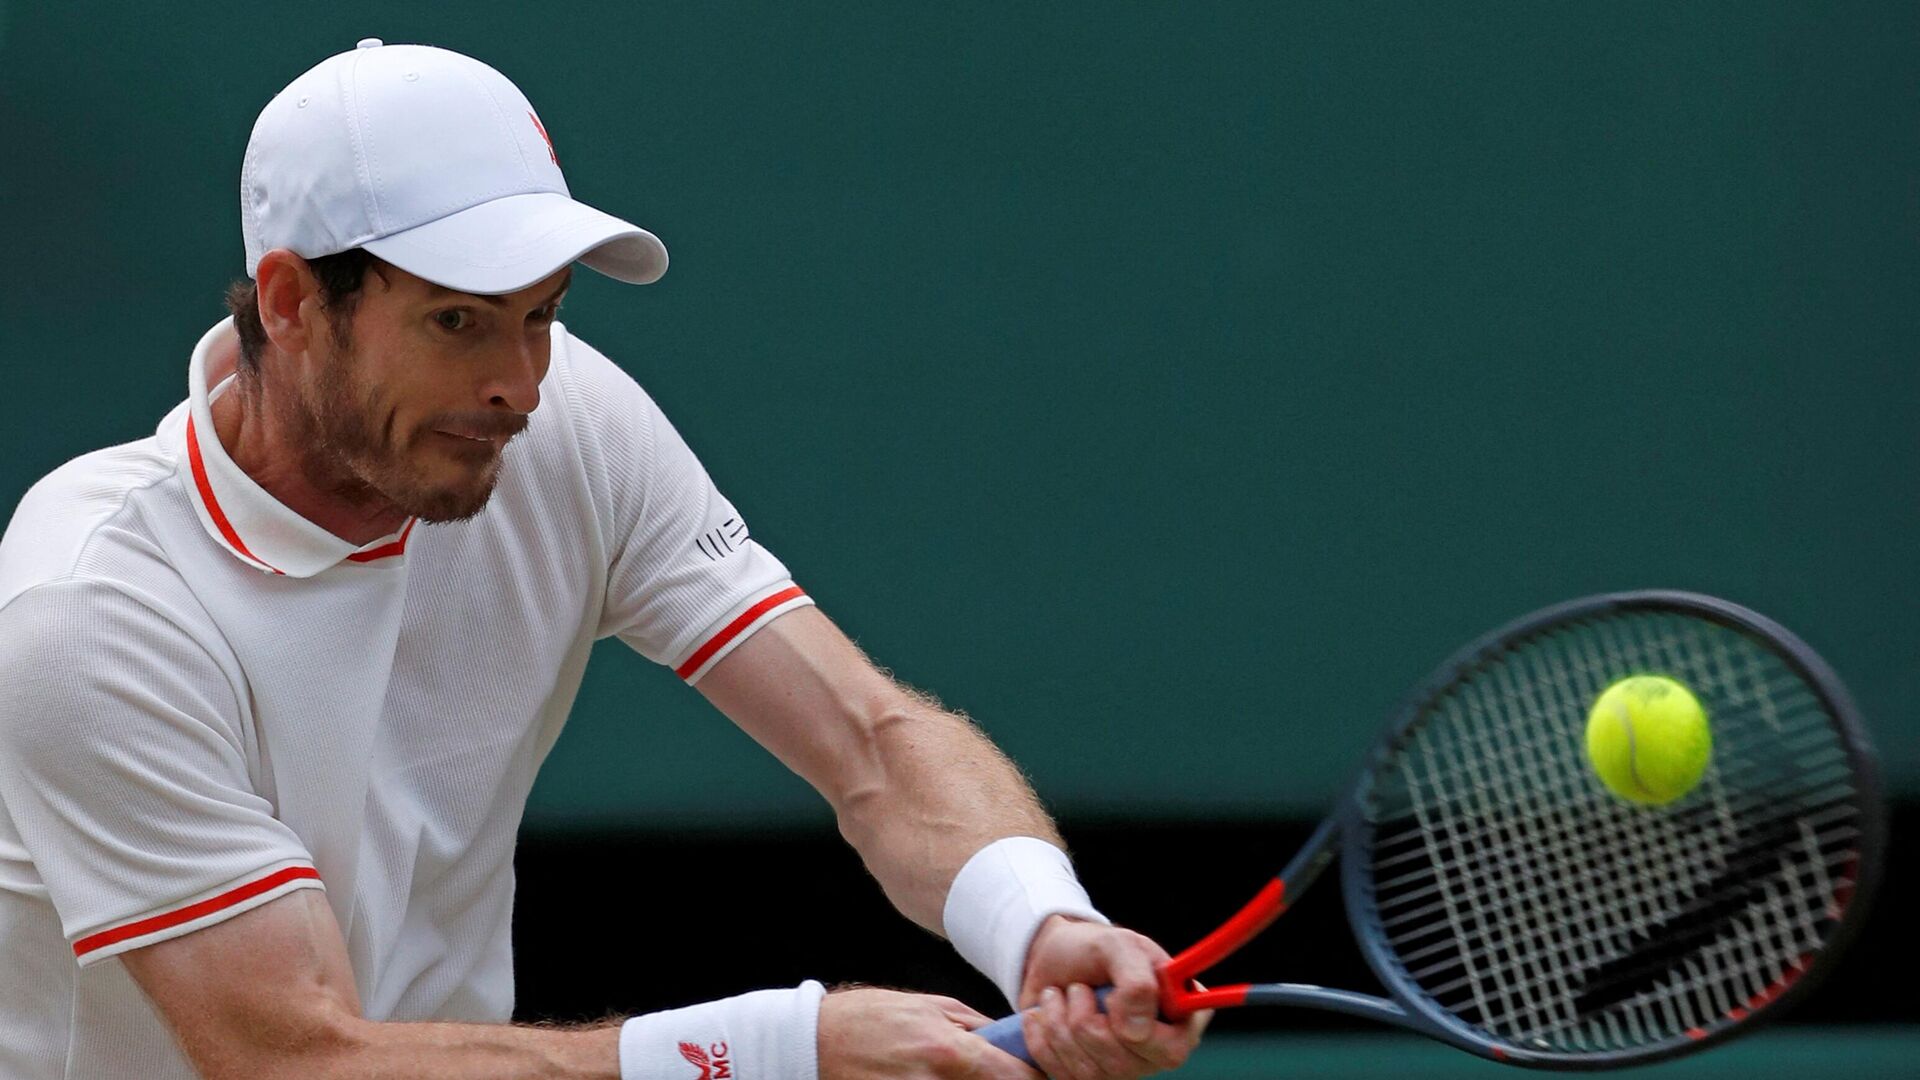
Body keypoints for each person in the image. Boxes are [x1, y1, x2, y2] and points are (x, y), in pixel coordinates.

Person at [0, 38, 1206, 1080]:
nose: (517, 384)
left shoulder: (563, 421)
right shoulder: (92, 612)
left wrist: (1039, 923)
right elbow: (296, 1053)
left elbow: (873, 745)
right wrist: (781, 1049)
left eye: (543, 313)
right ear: (290, 302)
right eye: (457, 320)